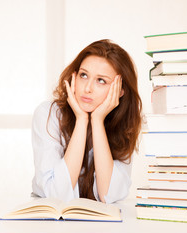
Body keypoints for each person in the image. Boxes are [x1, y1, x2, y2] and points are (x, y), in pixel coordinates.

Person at [31, 39, 142, 204]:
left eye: (101, 80)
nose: (88, 88)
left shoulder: (124, 125)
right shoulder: (48, 113)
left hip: (102, 227)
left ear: (120, 91)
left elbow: (108, 195)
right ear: (74, 76)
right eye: (84, 75)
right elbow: (56, 194)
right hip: (51, 224)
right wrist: (82, 120)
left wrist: (97, 121)